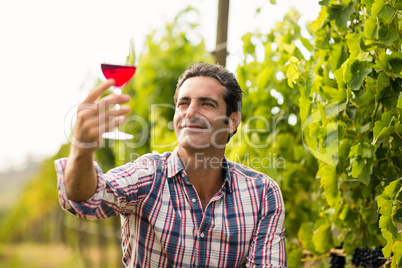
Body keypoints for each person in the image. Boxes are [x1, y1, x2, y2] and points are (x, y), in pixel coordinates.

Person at [55, 62, 287, 267]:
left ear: (232, 121)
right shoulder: (148, 175)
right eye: (183, 103)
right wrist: (81, 149)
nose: (190, 113)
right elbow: (85, 199)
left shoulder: (263, 194)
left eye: (206, 104)